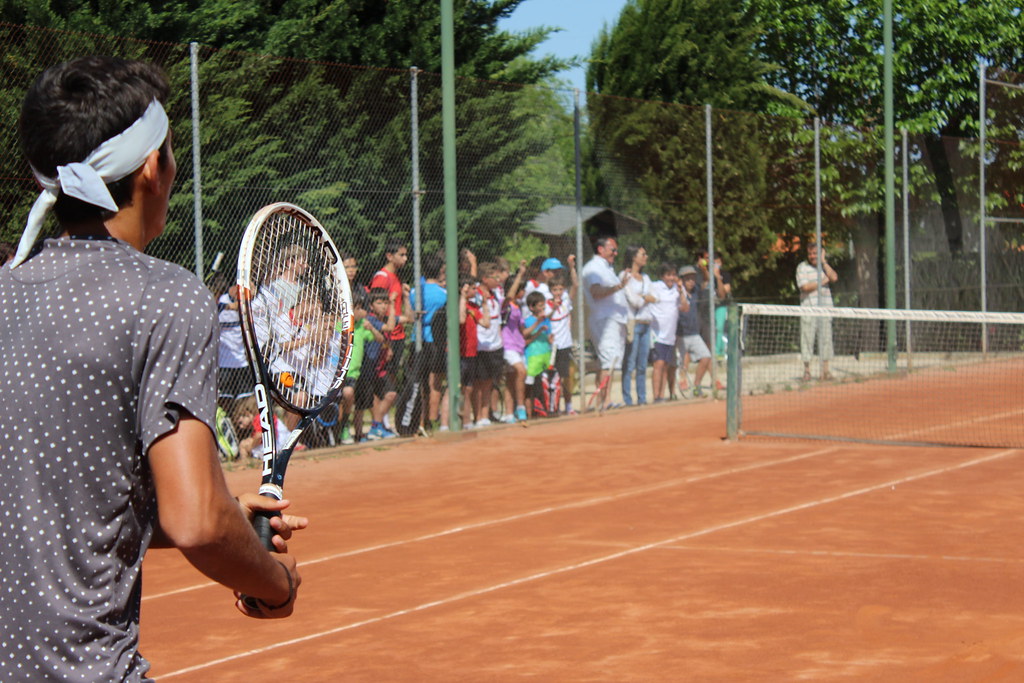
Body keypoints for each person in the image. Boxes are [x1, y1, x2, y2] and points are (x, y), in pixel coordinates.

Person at [0, 56, 303, 681]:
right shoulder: (165, 296)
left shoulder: (8, 289)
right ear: (149, 168)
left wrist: (233, 518)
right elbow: (197, 521)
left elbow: (62, 507)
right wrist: (274, 583)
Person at [581, 235, 630, 411]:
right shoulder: (593, 268)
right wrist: (619, 287)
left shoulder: (606, 268)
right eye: (612, 250)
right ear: (600, 249)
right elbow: (596, 292)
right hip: (604, 320)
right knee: (608, 361)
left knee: (609, 361)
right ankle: (606, 401)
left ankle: (603, 400)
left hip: (614, 320)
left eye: (616, 250)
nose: (615, 253)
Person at [408, 253, 447, 431]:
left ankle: (420, 421)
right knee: (434, 383)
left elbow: (410, 312)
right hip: (436, 340)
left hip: (417, 338)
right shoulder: (444, 294)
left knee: (420, 383)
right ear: (440, 271)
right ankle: (431, 420)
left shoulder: (415, 292)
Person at [796, 241, 838, 381]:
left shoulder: (824, 267)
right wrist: (823, 281)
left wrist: (824, 262)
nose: (812, 256)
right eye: (810, 254)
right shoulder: (802, 267)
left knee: (826, 340)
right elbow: (805, 287)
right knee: (807, 341)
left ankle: (825, 371)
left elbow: (834, 277)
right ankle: (807, 372)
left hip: (825, 309)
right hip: (808, 309)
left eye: (815, 253)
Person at [620, 245, 656, 406]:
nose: (645, 257)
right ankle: (628, 400)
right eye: (643, 254)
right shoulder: (624, 276)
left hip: (646, 324)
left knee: (642, 365)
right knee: (629, 364)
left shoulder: (646, 278)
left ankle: (642, 399)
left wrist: (643, 297)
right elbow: (633, 301)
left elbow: (656, 297)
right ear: (633, 257)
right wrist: (645, 298)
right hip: (633, 324)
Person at [472, 262, 504, 427]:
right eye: (494, 277)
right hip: (480, 345)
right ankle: (477, 416)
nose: (498, 280)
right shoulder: (476, 294)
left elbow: (498, 320)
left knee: (489, 382)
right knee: (478, 383)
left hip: (495, 345)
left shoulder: (495, 294)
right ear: (484, 279)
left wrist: (500, 339)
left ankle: (485, 415)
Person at [648, 262, 684, 402]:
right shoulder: (655, 286)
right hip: (657, 334)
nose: (671, 278)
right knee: (658, 364)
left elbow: (685, 307)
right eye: (668, 275)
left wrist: (681, 291)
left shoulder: (677, 289)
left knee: (666, 366)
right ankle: (656, 395)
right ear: (662, 276)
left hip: (670, 335)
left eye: (673, 275)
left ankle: (662, 395)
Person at [501, 260, 530, 423]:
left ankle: (509, 413)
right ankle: (520, 407)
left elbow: (523, 330)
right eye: (522, 289)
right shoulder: (505, 304)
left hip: (519, 346)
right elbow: (509, 296)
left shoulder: (519, 307)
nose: (524, 292)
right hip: (508, 345)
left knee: (512, 379)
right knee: (521, 371)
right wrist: (520, 274)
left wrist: (540, 324)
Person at [676, 265, 712, 397]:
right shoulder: (676, 293)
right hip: (681, 334)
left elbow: (707, 281)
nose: (691, 281)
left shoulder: (696, 291)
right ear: (681, 280)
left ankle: (697, 385)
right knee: (682, 361)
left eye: (693, 278)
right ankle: (681, 382)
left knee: (706, 356)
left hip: (694, 333)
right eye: (688, 279)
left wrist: (704, 269)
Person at [546, 269, 578, 415]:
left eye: (560, 289)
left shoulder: (566, 301)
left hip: (565, 345)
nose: (558, 292)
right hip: (552, 346)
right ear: (550, 291)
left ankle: (569, 406)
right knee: (553, 378)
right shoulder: (547, 304)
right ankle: (554, 406)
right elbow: (546, 317)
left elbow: (575, 285)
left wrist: (571, 267)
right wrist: (554, 307)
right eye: (555, 290)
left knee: (566, 376)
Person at [522, 291, 554, 415]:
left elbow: (548, 336)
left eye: (543, 305)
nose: (543, 308)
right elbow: (526, 337)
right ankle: (529, 413)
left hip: (546, 354)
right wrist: (539, 328)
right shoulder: (528, 321)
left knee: (545, 384)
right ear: (532, 307)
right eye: (540, 305)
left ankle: (546, 410)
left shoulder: (546, 320)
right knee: (529, 385)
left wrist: (550, 339)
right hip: (532, 356)